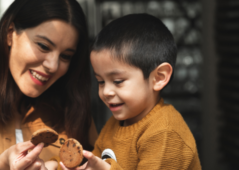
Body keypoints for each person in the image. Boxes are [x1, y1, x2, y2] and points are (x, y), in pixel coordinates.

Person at [0, 0, 98, 169]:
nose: (53, 65)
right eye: (43, 46)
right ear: (10, 33)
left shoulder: (72, 100)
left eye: (65, 56)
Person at [61, 13, 202, 170]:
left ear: (159, 77)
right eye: (101, 81)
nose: (106, 92)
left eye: (118, 81)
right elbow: (93, 163)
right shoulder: (114, 125)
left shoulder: (165, 132)